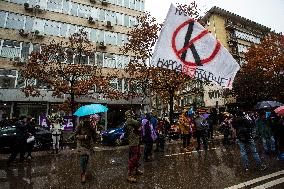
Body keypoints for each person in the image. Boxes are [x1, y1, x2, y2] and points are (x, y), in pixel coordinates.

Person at [75, 115, 96, 184]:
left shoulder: (90, 125)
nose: (87, 119)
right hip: (82, 146)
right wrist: (83, 136)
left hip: (88, 146)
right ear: (83, 118)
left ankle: (84, 171)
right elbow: (76, 135)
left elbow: (94, 135)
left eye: (88, 118)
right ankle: (83, 174)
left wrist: (94, 128)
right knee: (82, 160)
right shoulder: (80, 125)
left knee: (86, 160)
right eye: (86, 118)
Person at [124, 110, 143, 183]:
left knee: (138, 155)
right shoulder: (129, 120)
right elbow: (139, 123)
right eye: (132, 113)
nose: (133, 114)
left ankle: (136, 170)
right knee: (134, 157)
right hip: (133, 142)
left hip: (136, 140)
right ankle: (129, 174)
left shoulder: (129, 121)